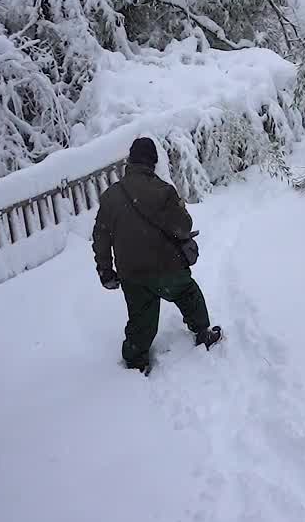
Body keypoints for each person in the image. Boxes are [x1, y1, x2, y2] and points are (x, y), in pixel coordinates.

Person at [92, 137, 222, 374]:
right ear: (153, 162)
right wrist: (180, 208)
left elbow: (100, 238)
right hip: (167, 267)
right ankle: (203, 333)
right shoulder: (163, 191)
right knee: (188, 294)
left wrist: (105, 270)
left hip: (132, 273)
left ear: (130, 162)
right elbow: (183, 226)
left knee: (141, 318)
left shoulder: (110, 197)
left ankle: (135, 360)